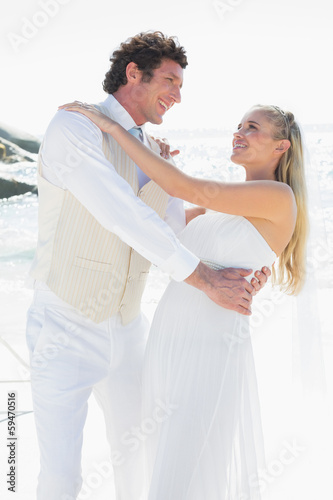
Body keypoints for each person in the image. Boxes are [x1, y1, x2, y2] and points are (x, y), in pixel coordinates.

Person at [26, 31, 269, 500]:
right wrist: (203, 279)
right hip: (65, 323)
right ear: (132, 74)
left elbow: (175, 228)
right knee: (61, 475)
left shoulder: (155, 152)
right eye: (170, 81)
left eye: (181, 85)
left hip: (129, 329)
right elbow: (120, 212)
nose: (178, 95)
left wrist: (251, 256)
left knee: (141, 457)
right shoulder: (74, 128)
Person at [59, 101, 308, 499]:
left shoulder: (278, 197)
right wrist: (153, 163)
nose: (239, 132)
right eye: (239, 124)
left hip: (209, 347)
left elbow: (183, 187)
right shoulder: (220, 204)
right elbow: (157, 221)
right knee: (163, 459)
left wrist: (115, 128)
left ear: (281, 147)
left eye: (253, 128)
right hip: (170, 339)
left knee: (184, 467)